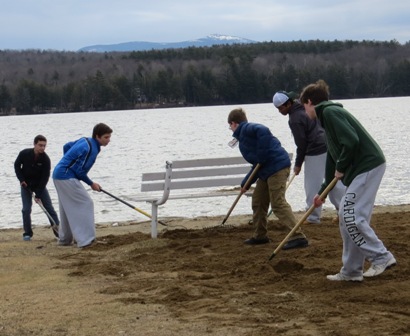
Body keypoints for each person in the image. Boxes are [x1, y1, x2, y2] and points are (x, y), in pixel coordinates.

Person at [299, 79, 396, 281]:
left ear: (309, 102)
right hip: (362, 168)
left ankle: (381, 257)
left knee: (349, 212)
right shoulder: (326, 119)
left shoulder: (330, 113)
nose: (304, 112)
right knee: (348, 217)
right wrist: (323, 191)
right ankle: (352, 272)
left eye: (303, 107)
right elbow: (332, 159)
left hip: (367, 165)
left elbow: (351, 142)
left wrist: (342, 167)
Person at [228, 107, 308, 249]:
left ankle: (298, 236)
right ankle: (260, 236)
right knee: (258, 200)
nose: (230, 129)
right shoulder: (243, 139)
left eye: (230, 126)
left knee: (278, 203)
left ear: (234, 123)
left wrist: (262, 154)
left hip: (277, 168)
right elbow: (257, 164)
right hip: (266, 171)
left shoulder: (247, 128)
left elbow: (263, 131)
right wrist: (246, 183)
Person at [272, 90, 345, 224]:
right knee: (334, 181)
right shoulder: (306, 107)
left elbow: (301, 143)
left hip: (315, 151)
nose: (280, 111)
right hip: (329, 146)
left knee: (312, 186)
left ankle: (312, 217)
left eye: (281, 108)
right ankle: (344, 211)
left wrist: (298, 164)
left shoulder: (294, 119)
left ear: (288, 104)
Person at [52, 123, 113, 248]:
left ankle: (65, 239)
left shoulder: (84, 140)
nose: (109, 140)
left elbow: (66, 146)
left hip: (58, 174)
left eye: (109, 137)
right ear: (97, 136)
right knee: (86, 203)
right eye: (106, 137)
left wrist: (66, 161)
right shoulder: (92, 149)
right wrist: (91, 184)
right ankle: (86, 240)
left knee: (66, 207)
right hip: (66, 176)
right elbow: (80, 171)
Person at [14, 135, 60, 241]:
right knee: (26, 209)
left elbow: (45, 178)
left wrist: (38, 194)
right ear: (34, 144)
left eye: (44, 146)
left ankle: (58, 232)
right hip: (26, 185)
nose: (42, 148)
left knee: (49, 208)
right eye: (40, 145)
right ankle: (27, 233)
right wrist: (21, 180)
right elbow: (17, 166)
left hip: (40, 186)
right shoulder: (24, 153)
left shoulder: (46, 159)